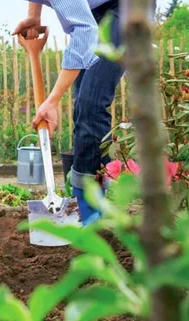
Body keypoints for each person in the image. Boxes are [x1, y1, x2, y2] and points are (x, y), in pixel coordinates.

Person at [13, 0, 124, 226]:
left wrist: (52, 100)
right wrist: (34, 16)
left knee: (91, 104)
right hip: (93, 11)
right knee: (83, 111)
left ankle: (93, 217)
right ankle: (85, 207)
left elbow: (84, 30)